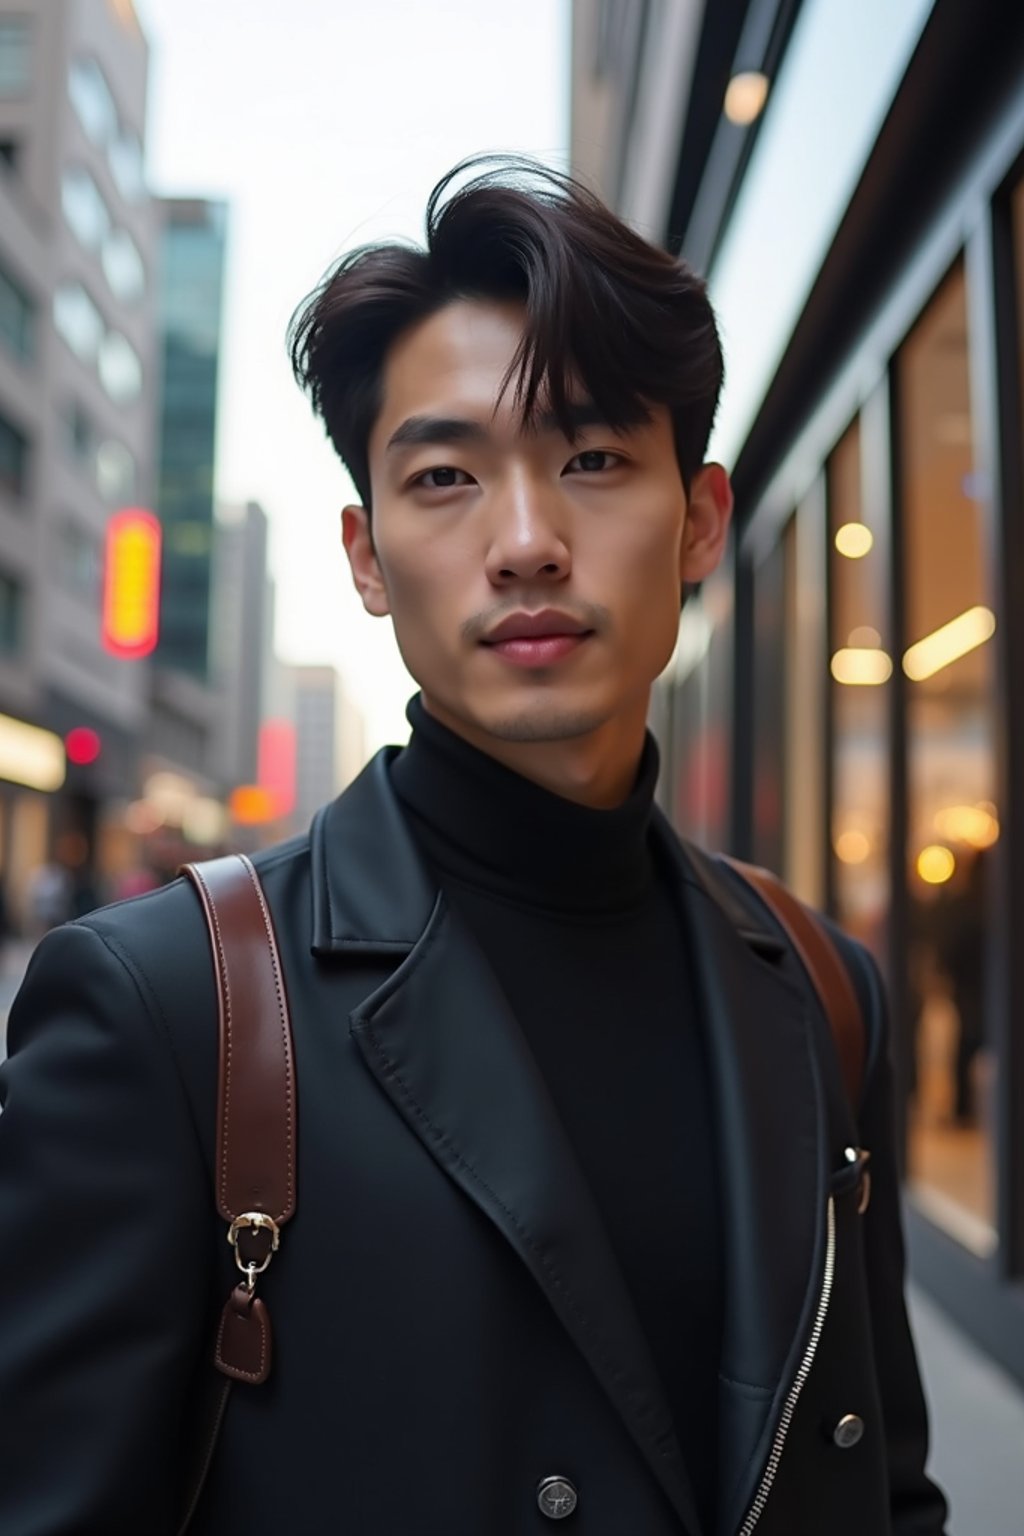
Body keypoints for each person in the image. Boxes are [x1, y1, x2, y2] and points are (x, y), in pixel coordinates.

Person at [0, 158, 947, 1535]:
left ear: (700, 521)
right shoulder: (169, 1008)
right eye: (444, 476)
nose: (525, 542)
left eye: (594, 459)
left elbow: (881, 1486)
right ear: (368, 556)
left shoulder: (821, 989)